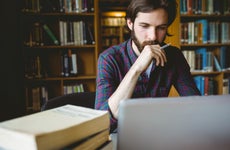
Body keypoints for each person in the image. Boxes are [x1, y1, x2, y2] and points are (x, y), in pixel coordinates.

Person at [95, 0, 201, 132]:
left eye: (161, 28)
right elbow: (101, 123)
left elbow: (197, 106)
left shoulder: (174, 56)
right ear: (130, 23)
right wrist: (136, 68)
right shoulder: (109, 59)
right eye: (144, 26)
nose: (153, 36)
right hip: (122, 137)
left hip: (159, 134)